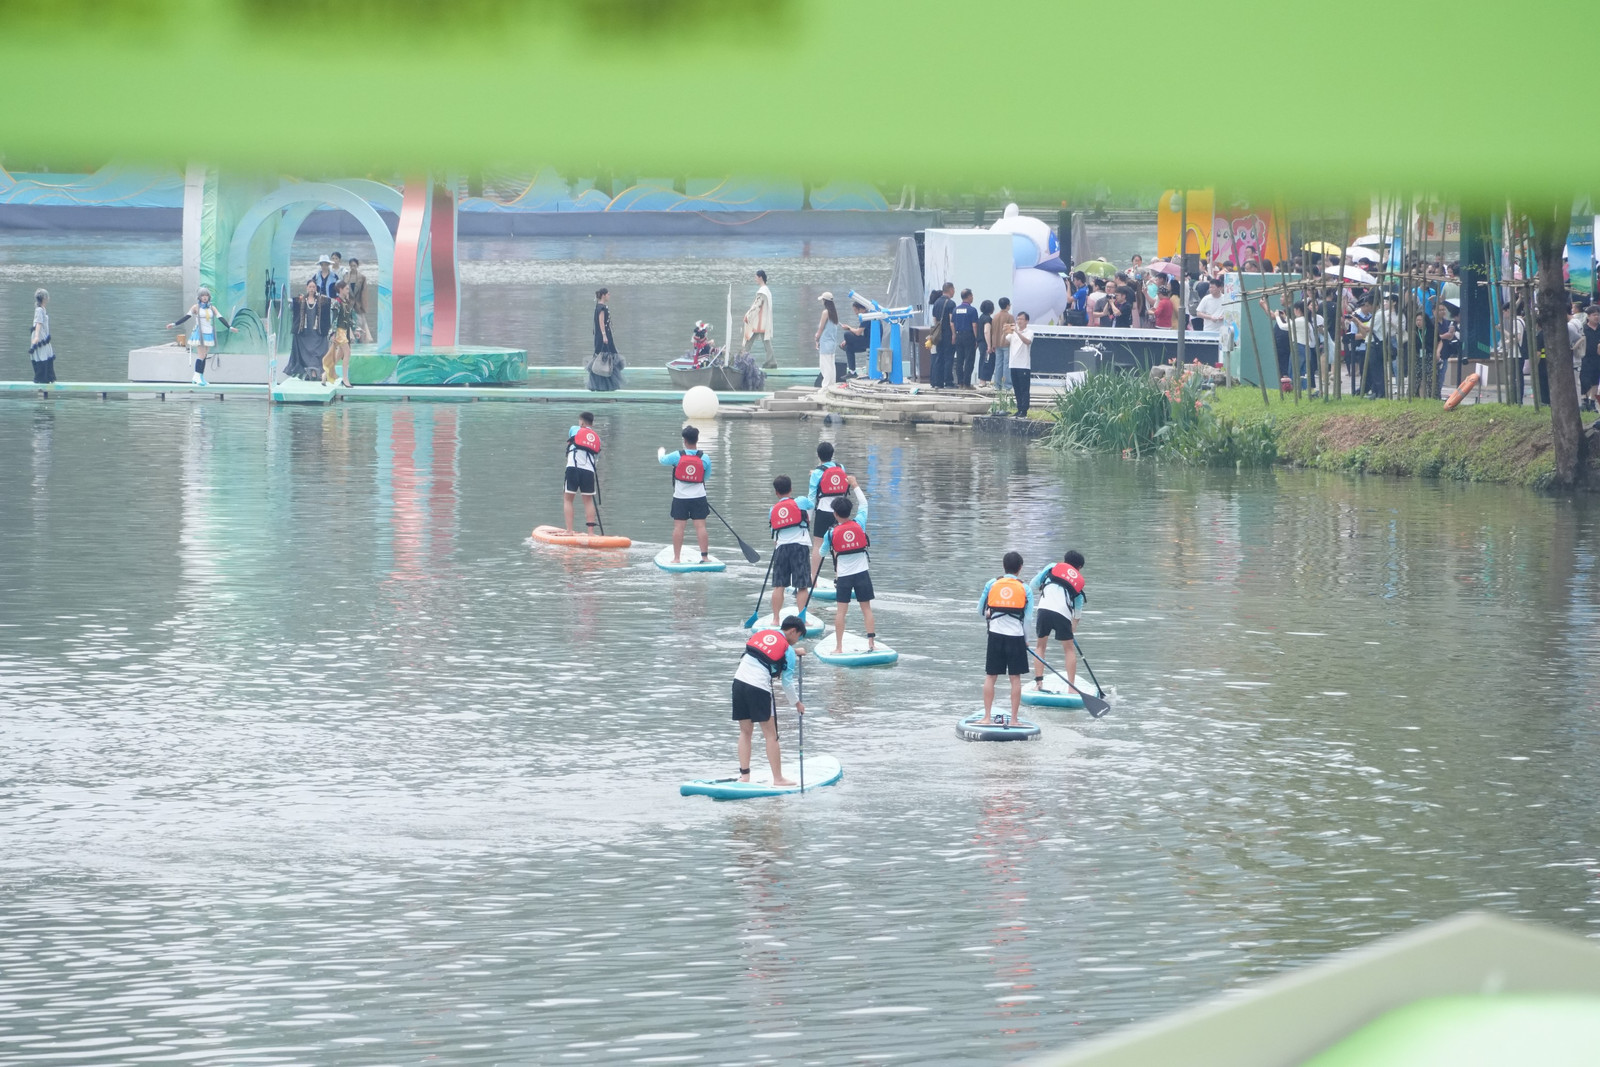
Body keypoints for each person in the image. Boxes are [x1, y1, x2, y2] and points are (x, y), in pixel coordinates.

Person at [731, 616, 808, 785]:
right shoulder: (788, 651)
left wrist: (794, 651)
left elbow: (768, 651)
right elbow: (787, 683)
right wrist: (797, 703)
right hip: (758, 688)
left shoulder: (764, 632)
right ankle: (778, 779)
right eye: (798, 637)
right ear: (793, 631)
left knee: (745, 732)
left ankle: (744, 776)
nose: (796, 641)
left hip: (738, 683)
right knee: (771, 736)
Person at [820, 485, 878, 653]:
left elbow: (822, 552)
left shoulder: (830, 533)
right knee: (866, 608)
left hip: (844, 577)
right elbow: (864, 504)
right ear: (849, 511)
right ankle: (871, 643)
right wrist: (855, 485)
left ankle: (839, 647)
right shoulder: (859, 522)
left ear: (835, 514)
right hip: (862, 574)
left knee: (841, 612)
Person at [979, 551, 1033, 725]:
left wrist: (989, 614)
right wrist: (1026, 639)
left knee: (990, 676)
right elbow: (1028, 619)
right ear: (1020, 568)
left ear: (1004, 566)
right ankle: (1014, 720)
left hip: (995, 635)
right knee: (1015, 678)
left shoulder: (991, 583)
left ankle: (987, 717)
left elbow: (980, 610)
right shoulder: (1025, 588)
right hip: (1016, 637)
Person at [1031, 550, 1086, 694]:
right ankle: (1071, 688)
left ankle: (1039, 684)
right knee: (1069, 649)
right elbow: (1078, 609)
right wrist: (1073, 629)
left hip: (1044, 609)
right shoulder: (1078, 581)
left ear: (1064, 560)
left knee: (1040, 646)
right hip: (1063, 613)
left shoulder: (1051, 567)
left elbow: (1033, 583)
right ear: (1079, 568)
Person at [659, 425, 713, 564]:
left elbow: (662, 460)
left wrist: (661, 451)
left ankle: (676, 558)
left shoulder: (677, 456)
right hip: (699, 497)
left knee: (678, 527)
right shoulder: (705, 458)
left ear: (684, 440)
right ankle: (705, 557)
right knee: (701, 527)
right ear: (697, 439)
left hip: (680, 498)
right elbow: (705, 478)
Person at [765, 475, 814, 626]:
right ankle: (802, 620)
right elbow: (812, 503)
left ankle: (775, 619)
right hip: (800, 547)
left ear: (776, 492)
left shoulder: (773, 510)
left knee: (779, 585)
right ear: (791, 489)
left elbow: (774, 534)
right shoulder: (801, 502)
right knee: (802, 586)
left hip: (781, 548)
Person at [166, 286, 236, 386]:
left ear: (209, 297)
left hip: (208, 333)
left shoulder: (212, 307)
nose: (204, 297)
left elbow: (220, 317)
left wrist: (229, 327)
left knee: (204, 356)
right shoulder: (196, 307)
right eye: (202, 295)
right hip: (200, 334)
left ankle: (201, 377)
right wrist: (174, 324)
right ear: (199, 297)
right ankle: (196, 376)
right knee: (201, 355)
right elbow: (186, 317)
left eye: (206, 295)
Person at [807, 441, 849, 579]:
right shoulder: (841, 467)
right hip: (840, 512)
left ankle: (813, 579)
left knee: (818, 545)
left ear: (819, 456)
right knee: (838, 545)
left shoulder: (817, 473)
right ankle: (839, 577)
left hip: (823, 512)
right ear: (832, 454)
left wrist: (808, 517)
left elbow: (812, 497)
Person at [563, 411, 602, 535]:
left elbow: (569, 443)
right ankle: (590, 532)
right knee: (588, 500)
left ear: (582, 422)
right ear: (593, 424)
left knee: (568, 499)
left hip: (573, 468)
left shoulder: (574, 429)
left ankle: (569, 531)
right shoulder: (597, 438)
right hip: (589, 471)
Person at [287, 280, 330, 380]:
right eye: (310, 287)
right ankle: (310, 372)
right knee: (306, 352)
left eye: (313, 287)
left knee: (317, 351)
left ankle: (314, 372)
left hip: (316, 332)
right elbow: (292, 308)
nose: (312, 289)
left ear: (316, 288)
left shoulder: (321, 301)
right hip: (305, 333)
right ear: (307, 288)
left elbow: (328, 312)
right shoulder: (301, 300)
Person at [589, 287, 625, 391]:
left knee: (605, 358)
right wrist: (604, 335)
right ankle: (605, 384)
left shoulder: (600, 306)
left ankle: (604, 384)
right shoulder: (601, 308)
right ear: (604, 295)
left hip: (603, 335)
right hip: (603, 336)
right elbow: (601, 323)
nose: (609, 296)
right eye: (608, 294)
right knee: (605, 358)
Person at [740, 269, 776, 369]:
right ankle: (771, 362)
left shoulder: (762, 292)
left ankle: (742, 361)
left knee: (749, 341)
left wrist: (748, 316)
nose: (755, 279)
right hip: (764, 322)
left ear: (760, 277)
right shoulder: (767, 290)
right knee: (766, 342)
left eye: (756, 277)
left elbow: (756, 306)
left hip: (758, 322)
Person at [325, 281, 357, 386]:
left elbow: (349, 318)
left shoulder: (347, 302)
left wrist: (356, 329)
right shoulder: (337, 302)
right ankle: (345, 379)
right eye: (346, 289)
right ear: (341, 289)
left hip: (345, 331)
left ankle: (324, 375)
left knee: (339, 356)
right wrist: (333, 333)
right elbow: (334, 319)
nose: (348, 291)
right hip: (339, 331)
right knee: (347, 353)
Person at [951, 288, 981, 387]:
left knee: (959, 360)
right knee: (969, 359)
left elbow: (952, 324)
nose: (972, 297)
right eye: (972, 296)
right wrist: (976, 338)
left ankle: (960, 382)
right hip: (969, 335)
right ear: (968, 297)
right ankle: (967, 383)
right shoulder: (972, 310)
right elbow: (974, 325)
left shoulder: (956, 309)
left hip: (959, 335)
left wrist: (954, 335)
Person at [930, 281, 956, 388]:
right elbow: (951, 321)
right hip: (948, 334)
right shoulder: (951, 303)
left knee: (939, 357)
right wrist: (954, 334)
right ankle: (948, 381)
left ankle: (938, 381)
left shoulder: (936, 303)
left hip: (938, 334)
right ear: (950, 290)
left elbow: (935, 320)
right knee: (949, 357)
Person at [814, 293, 844, 386]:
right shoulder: (834, 313)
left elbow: (821, 328)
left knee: (825, 366)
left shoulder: (825, 313)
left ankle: (826, 386)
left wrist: (816, 338)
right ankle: (832, 384)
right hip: (832, 343)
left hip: (825, 342)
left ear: (825, 301)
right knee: (831, 365)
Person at [1008, 311, 1034, 417]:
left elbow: (1027, 342)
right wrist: (1004, 332)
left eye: (1021, 319)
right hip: (1013, 363)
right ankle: (1019, 408)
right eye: (1017, 319)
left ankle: (1024, 410)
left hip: (1023, 365)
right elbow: (1004, 341)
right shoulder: (1012, 332)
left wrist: (1017, 333)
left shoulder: (1029, 332)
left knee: (1024, 389)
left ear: (1026, 321)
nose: (1019, 321)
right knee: (1017, 388)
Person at [989, 297, 1015, 394]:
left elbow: (993, 331)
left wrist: (992, 343)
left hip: (996, 343)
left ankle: (997, 384)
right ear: (1007, 305)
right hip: (1007, 343)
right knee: (1007, 364)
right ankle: (1007, 385)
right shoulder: (1010, 317)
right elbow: (1012, 331)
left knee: (998, 364)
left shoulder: (995, 316)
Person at [28, 288, 55, 385]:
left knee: (47, 354)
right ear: (44, 298)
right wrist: (36, 337)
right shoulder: (39, 310)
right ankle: (41, 378)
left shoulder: (43, 309)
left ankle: (47, 378)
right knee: (42, 354)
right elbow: (38, 324)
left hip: (43, 334)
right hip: (39, 335)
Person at [343, 259, 369, 342]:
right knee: (348, 323)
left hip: (358, 304)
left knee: (360, 324)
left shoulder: (362, 277)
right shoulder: (346, 277)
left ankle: (360, 342)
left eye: (354, 265)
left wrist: (363, 306)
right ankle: (350, 341)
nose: (353, 267)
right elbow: (343, 290)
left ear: (357, 266)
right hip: (349, 303)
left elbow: (364, 292)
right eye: (351, 266)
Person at [975, 299, 996, 384]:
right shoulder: (988, 319)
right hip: (986, 343)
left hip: (980, 343)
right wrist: (989, 345)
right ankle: (984, 381)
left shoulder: (981, 317)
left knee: (982, 360)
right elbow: (986, 331)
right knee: (987, 361)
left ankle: (982, 381)